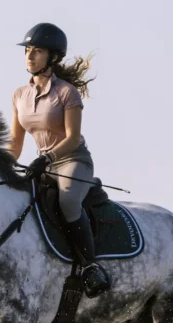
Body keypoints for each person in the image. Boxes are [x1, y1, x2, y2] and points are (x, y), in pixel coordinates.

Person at [8, 22, 110, 297]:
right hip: (43, 164)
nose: (29, 56)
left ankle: (90, 266)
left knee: (67, 201)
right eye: (27, 50)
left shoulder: (67, 93)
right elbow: (15, 144)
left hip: (72, 160)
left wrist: (48, 157)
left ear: (52, 57)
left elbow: (73, 138)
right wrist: (1, 165)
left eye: (36, 51)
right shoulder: (19, 95)